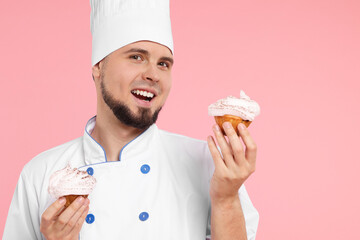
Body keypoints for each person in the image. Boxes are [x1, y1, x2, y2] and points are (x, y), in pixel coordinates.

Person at [3, 0, 259, 239]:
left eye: (164, 64)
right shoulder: (40, 174)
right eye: (137, 57)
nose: (153, 74)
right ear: (98, 67)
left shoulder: (211, 166)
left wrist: (226, 198)